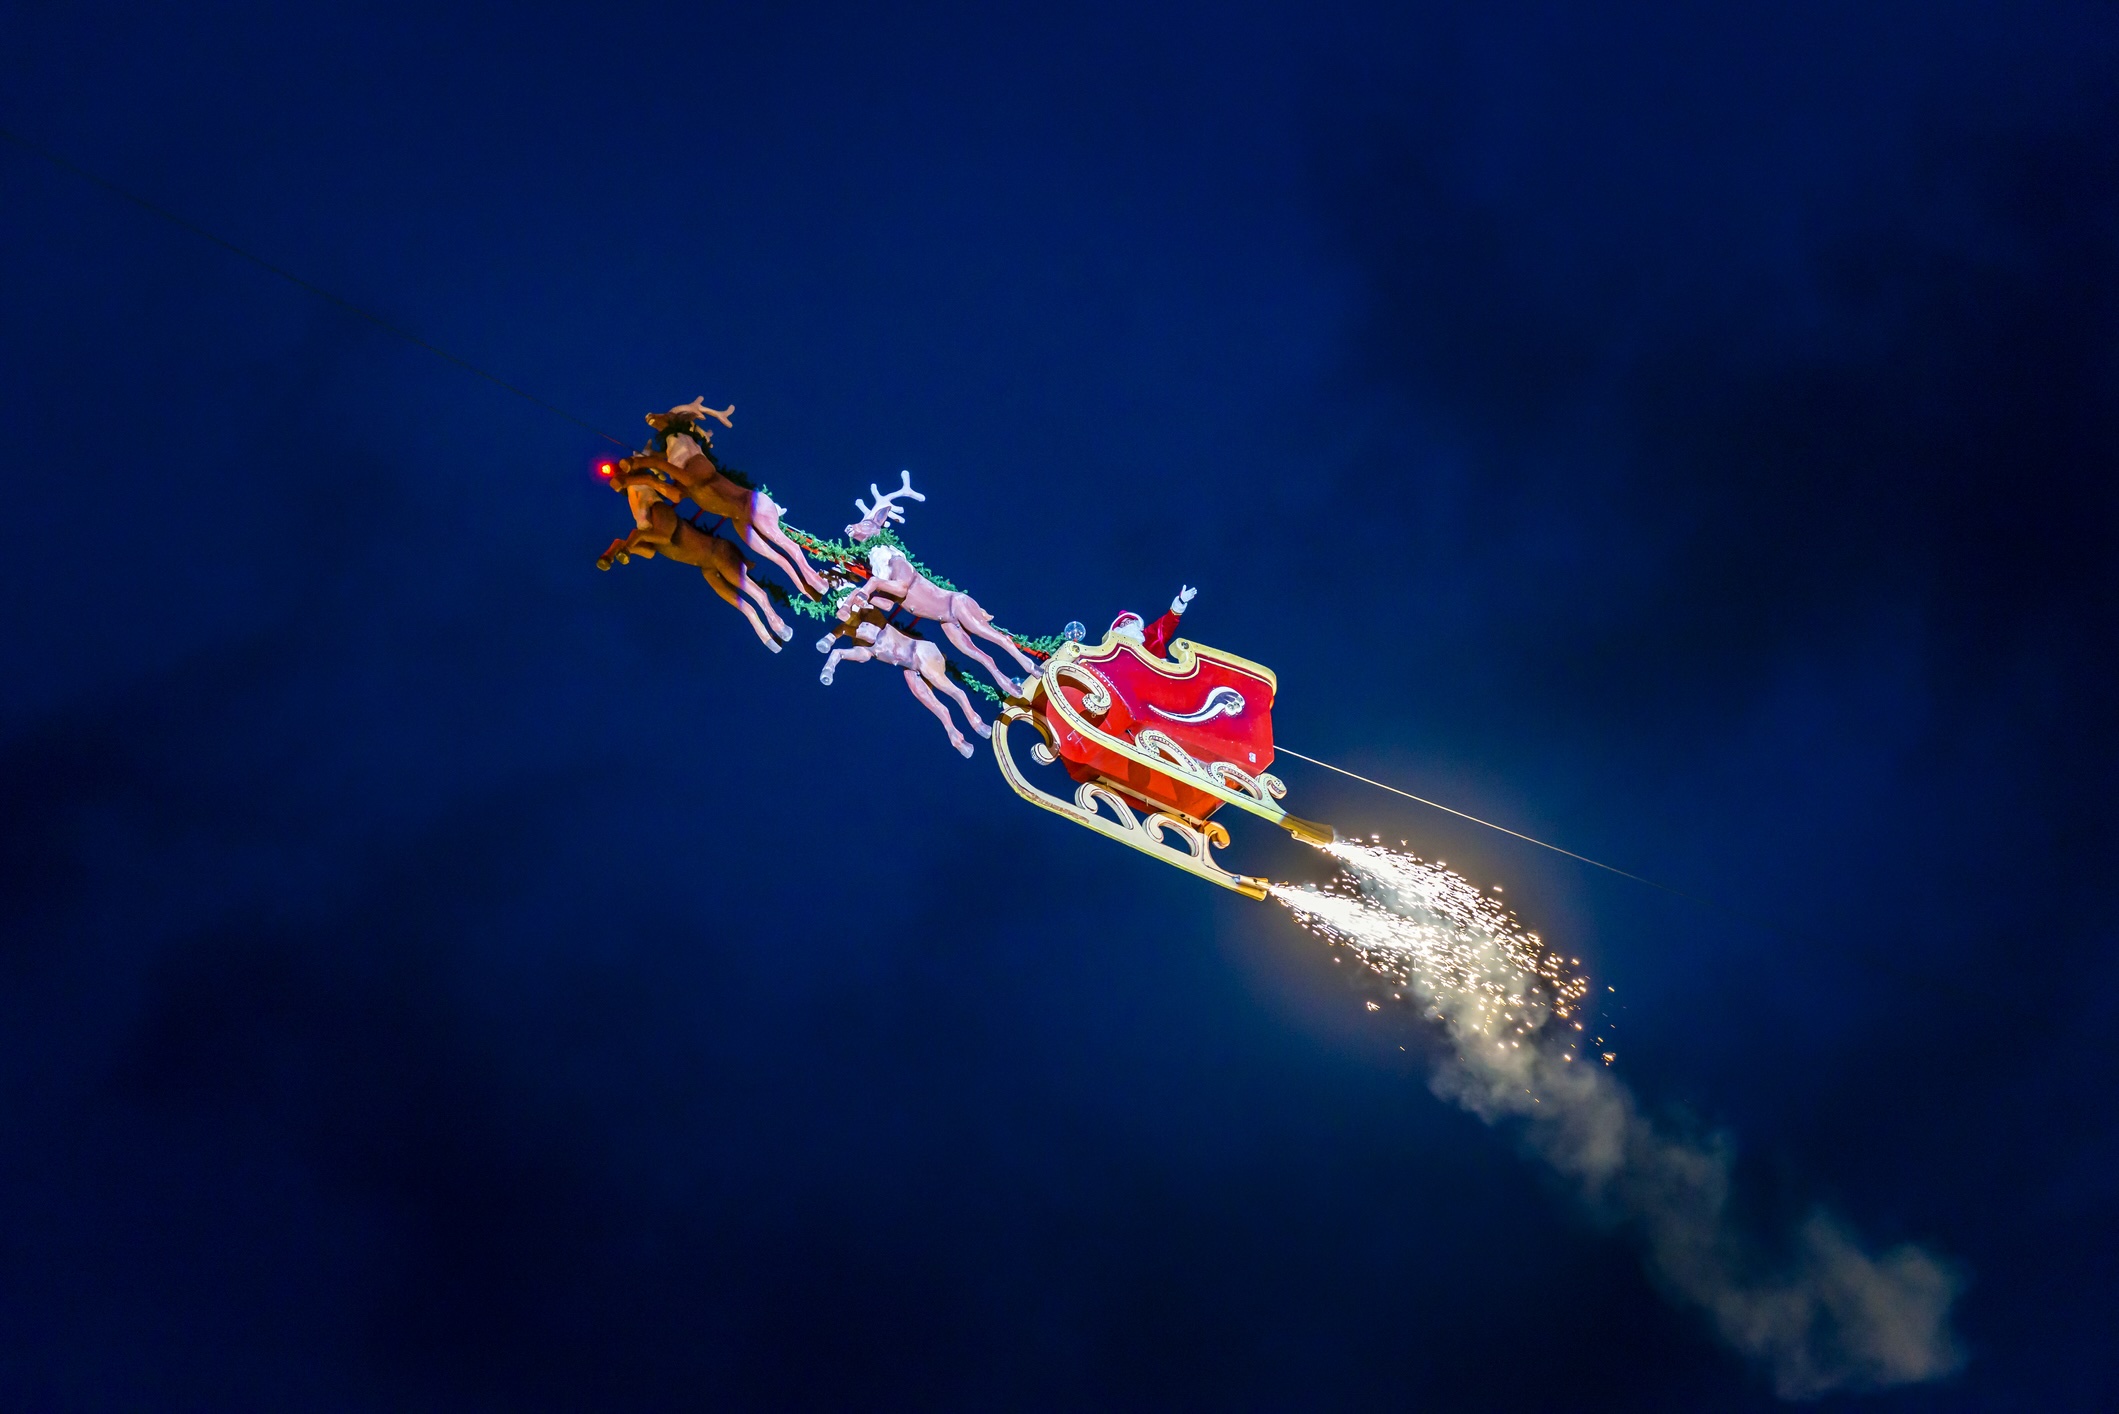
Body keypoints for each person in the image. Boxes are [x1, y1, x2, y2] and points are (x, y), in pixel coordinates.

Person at [1109, 586, 1196, 657]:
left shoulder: (1149, 636)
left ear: (1136, 623)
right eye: (1123, 624)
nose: (1127, 624)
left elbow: (1166, 624)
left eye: (1129, 621)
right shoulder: (1115, 655)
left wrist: (1180, 603)